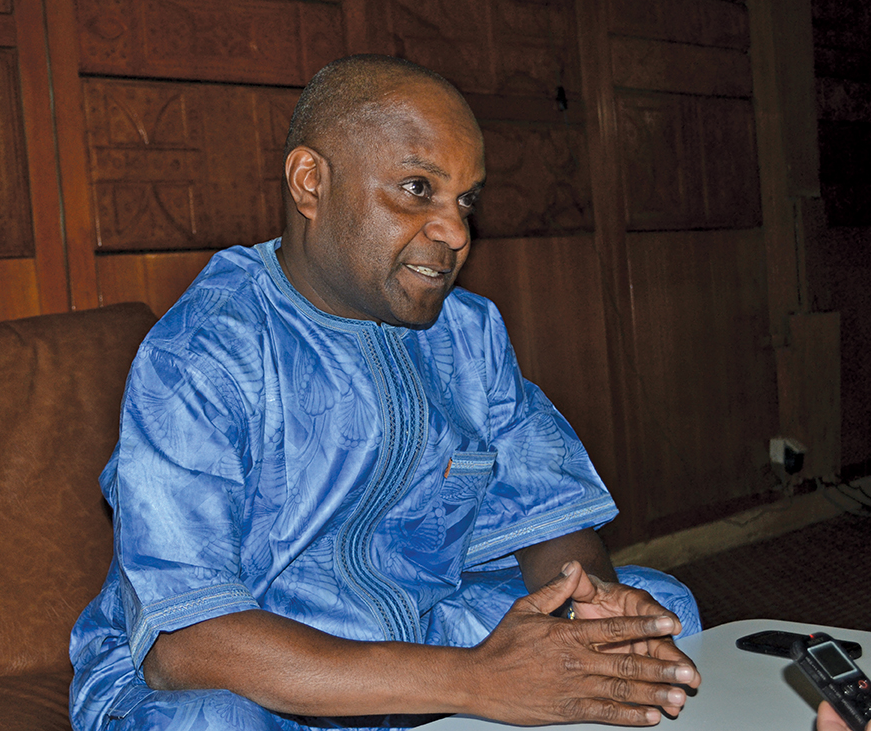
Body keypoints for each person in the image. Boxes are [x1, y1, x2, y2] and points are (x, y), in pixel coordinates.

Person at [69, 54, 703, 731]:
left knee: (659, 616)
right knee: (207, 723)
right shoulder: (204, 353)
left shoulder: (468, 333)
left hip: (419, 637)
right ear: (311, 183)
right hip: (250, 673)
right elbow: (184, 645)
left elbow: (549, 520)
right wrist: (477, 681)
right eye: (417, 188)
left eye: (465, 201)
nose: (456, 232)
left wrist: (588, 613)